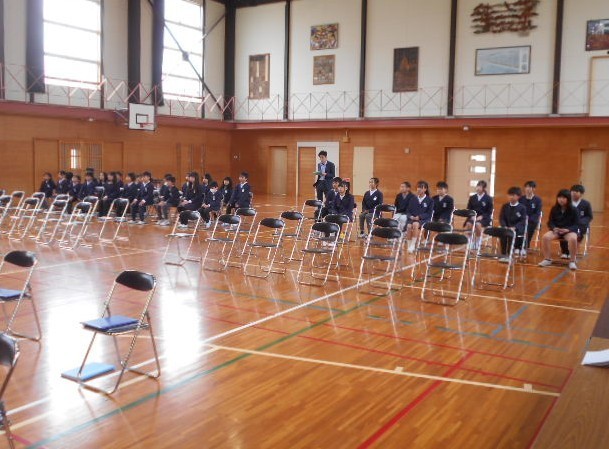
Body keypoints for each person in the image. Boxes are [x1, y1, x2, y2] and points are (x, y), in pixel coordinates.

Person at [539, 189, 579, 270]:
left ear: (568, 199)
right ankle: (547, 259)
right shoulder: (554, 209)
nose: (561, 199)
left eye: (564, 198)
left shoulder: (574, 210)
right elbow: (550, 222)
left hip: (569, 231)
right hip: (557, 231)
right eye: (559, 197)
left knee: (573, 239)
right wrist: (554, 228)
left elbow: (577, 224)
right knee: (545, 237)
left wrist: (567, 230)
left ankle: (572, 261)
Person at [560, 184, 593, 259]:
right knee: (562, 230)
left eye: (576, 191)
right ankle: (565, 252)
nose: (574, 193)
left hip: (580, 226)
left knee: (577, 233)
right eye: (572, 191)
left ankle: (573, 252)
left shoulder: (586, 204)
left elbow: (589, 216)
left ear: (581, 193)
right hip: (568, 224)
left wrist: (581, 221)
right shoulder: (567, 203)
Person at [405, 181, 434, 253]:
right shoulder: (412, 199)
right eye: (418, 187)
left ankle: (413, 245)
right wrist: (410, 216)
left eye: (421, 188)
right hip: (413, 219)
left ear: (425, 189)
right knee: (408, 226)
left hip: (424, 220)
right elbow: (408, 211)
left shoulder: (430, 200)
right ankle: (409, 246)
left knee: (415, 224)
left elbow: (429, 213)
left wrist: (419, 217)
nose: (418, 189)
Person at [499, 187, 527, 256]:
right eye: (509, 195)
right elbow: (501, 218)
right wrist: (504, 226)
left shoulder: (522, 208)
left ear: (518, 196)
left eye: (513, 195)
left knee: (511, 234)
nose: (511, 197)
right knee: (503, 232)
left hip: (517, 228)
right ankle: (503, 253)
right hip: (507, 227)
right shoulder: (505, 206)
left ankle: (510, 254)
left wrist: (515, 227)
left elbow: (522, 221)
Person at [465, 180, 494, 249]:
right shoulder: (472, 197)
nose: (478, 188)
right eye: (477, 186)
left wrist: (482, 216)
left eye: (480, 187)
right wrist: (471, 215)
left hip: (484, 218)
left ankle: (477, 242)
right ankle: (470, 241)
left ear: (484, 188)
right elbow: (469, 209)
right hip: (473, 216)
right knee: (468, 224)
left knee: (478, 224)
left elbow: (489, 211)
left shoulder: (488, 198)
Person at [519, 180, 542, 255]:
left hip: (532, 221)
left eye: (530, 187)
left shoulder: (538, 200)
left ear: (534, 189)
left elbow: (537, 213)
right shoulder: (521, 199)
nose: (527, 189)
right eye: (526, 187)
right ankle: (517, 246)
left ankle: (525, 247)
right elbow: (518, 210)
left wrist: (529, 219)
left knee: (528, 228)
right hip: (522, 220)